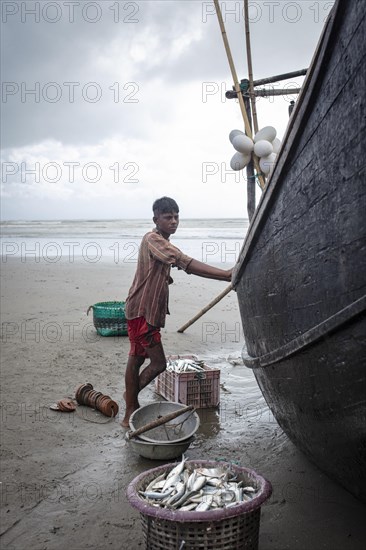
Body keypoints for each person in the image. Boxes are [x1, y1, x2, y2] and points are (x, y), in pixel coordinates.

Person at [121, 196, 232, 427]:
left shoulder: (161, 241)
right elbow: (184, 261)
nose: (174, 221)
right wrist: (225, 275)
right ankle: (130, 402)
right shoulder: (154, 239)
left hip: (138, 310)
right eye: (168, 217)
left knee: (136, 357)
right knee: (158, 363)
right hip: (143, 312)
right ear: (156, 219)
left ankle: (130, 403)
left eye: (176, 216)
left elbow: (173, 264)